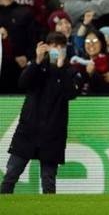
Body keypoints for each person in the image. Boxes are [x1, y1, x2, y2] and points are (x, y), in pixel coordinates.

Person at [0, 31, 85, 194]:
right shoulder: (38, 66)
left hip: (53, 133)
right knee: (10, 176)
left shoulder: (70, 71)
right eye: (54, 46)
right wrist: (37, 61)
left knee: (48, 182)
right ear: (46, 47)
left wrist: (60, 69)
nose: (57, 50)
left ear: (65, 49)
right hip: (28, 130)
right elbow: (22, 82)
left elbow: (71, 94)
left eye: (61, 46)